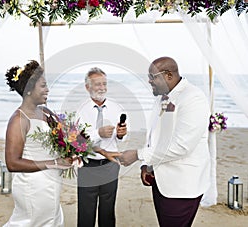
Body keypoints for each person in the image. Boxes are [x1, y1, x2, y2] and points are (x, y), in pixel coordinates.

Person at [118, 57, 211, 227]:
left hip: (181, 186)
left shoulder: (193, 98)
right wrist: (147, 165)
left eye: (152, 76)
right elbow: (156, 136)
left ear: (168, 75)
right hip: (161, 181)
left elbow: (181, 146)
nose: (149, 81)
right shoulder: (162, 97)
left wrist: (138, 155)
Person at [3, 60, 73, 227]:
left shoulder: (45, 112)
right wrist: (55, 163)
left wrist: (72, 150)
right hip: (33, 186)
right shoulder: (18, 120)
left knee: (52, 220)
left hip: (51, 183)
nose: (47, 90)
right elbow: (12, 163)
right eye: (43, 86)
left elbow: (64, 138)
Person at [76, 67, 127, 227]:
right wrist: (98, 133)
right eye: (97, 84)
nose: (102, 88)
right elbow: (77, 141)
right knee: (86, 212)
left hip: (110, 166)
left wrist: (121, 133)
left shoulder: (116, 108)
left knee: (108, 212)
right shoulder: (81, 111)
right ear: (87, 87)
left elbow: (123, 137)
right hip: (88, 165)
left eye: (104, 83)